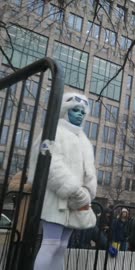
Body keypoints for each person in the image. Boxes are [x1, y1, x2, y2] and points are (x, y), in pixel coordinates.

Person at [28, 92, 97, 270]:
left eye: (83, 111)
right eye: (75, 109)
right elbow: (48, 164)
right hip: (55, 198)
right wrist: (74, 189)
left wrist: (87, 193)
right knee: (50, 244)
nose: (80, 114)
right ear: (65, 110)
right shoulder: (52, 131)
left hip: (76, 201)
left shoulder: (85, 141)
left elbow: (89, 171)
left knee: (61, 246)